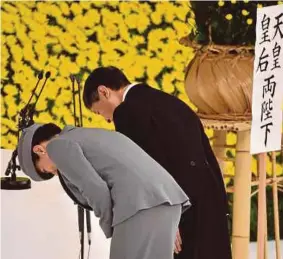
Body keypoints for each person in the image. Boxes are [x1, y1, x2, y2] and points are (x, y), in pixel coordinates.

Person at [83, 66, 232, 259]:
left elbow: (145, 171)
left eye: (98, 112)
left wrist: (168, 219)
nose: (106, 119)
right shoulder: (170, 101)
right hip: (210, 201)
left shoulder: (126, 111)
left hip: (183, 210)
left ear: (104, 91)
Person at [17, 123, 191, 259]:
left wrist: (111, 228)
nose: (55, 172)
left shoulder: (56, 147)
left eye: (47, 171)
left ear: (39, 150)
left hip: (138, 206)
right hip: (168, 200)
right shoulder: (94, 135)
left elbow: (95, 189)